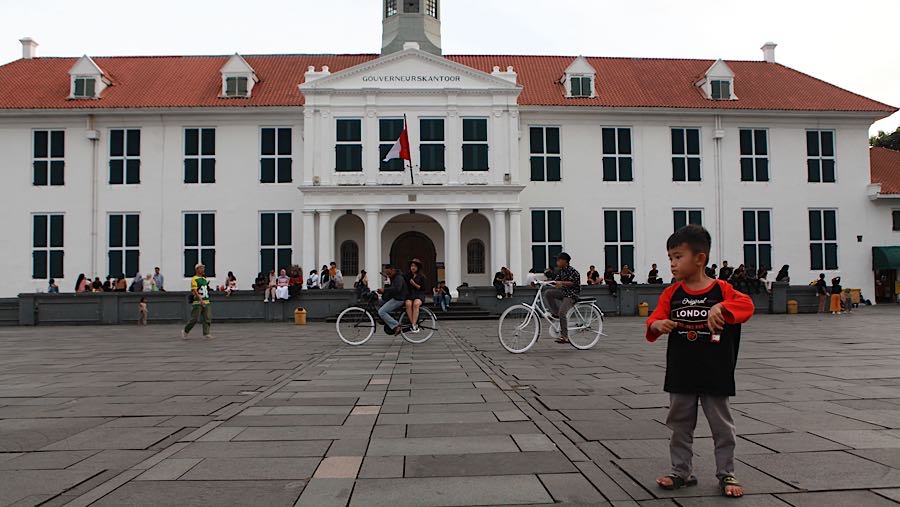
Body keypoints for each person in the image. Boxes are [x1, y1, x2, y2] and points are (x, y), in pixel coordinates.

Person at [646, 225, 753, 499]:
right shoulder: (672, 293)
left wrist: (722, 307)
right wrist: (658, 324)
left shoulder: (722, 289)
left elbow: (746, 306)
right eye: (670, 257)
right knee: (679, 424)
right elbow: (653, 321)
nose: (672, 263)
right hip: (681, 371)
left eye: (678, 256)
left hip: (715, 371)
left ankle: (726, 472)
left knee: (721, 425)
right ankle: (681, 471)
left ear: (700, 258)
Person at [544, 252, 581, 344]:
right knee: (548, 293)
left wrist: (562, 283)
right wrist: (542, 282)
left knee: (562, 312)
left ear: (565, 261)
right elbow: (555, 281)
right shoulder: (561, 271)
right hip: (563, 292)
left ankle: (565, 336)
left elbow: (573, 283)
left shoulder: (573, 271)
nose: (557, 262)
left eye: (559, 260)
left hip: (571, 294)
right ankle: (556, 314)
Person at [182, 263, 212, 339]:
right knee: (194, 319)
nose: (203, 269)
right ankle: (186, 330)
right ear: (197, 269)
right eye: (201, 268)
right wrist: (200, 299)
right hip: (198, 302)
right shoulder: (194, 279)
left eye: (203, 268)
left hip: (206, 301)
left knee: (207, 318)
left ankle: (206, 333)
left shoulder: (204, 279)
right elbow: (194, 290)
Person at [376, 265, 408, 335]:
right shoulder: (392, 277)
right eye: (387, 274)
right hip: (393, 297)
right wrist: (386, 283)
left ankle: (396, 325)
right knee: (377, 302)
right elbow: (389, 290)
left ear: (393, 270)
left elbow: (397, 289)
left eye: (389, 273)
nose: (388, 275)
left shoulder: (399, 277)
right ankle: (386, 319)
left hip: (398, 299)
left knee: (381, 312)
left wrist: (384, 290)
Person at [405, 259, 426, 332]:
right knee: (408, 304)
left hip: (419, 294)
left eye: (415, 266)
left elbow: (423, 288)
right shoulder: (407, 275)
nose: (413, 267)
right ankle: (413, 324)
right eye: (412, 266)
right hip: (410, 294)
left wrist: (414, 284)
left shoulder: (422, 276)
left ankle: (414, 324)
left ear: (418, 267)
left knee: (416, 304)